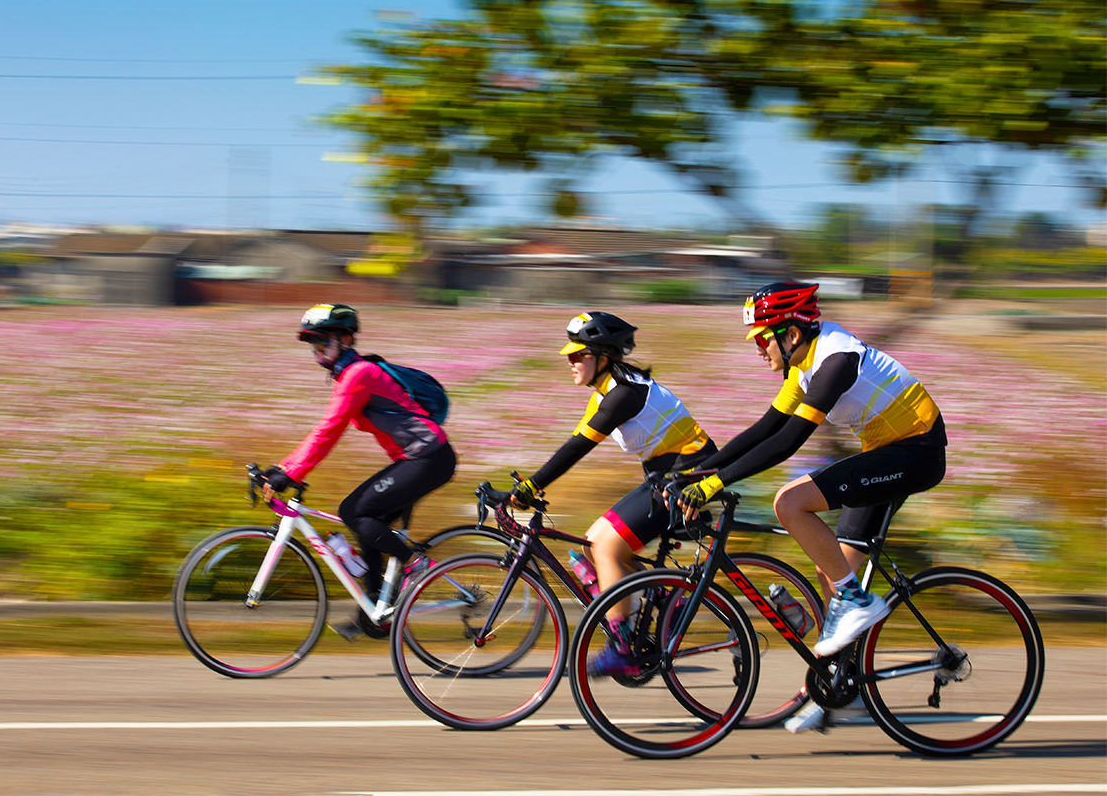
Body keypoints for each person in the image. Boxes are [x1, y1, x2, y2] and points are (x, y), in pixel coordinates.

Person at [675, 282, 947, 732]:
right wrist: (697, 473)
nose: (759, 349)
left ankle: (859, 601)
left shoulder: (835, 361)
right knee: (832, 571)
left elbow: (787, 443)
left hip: (916, 452)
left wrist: (717, 482)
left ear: (792, 335)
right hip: (887, 450)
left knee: (791, 503)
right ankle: (844, 689)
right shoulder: (802, 366)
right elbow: (766, 428)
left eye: (763, 338)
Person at [507, 311, 717, 678]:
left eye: (578, 355)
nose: (570, 362)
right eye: (569, 355)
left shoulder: (624, 395)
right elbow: (570, 444)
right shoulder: (607, 392)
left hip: (688, 477)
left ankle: (622, 646)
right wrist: (530, 482)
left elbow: (577, 449)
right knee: (592, 544)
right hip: (666, 476)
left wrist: (531, 486)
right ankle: (665, 595)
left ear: (603, 357)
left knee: (605, 547)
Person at [261, 303, 455, 639]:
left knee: (355, 511)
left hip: (428, 457)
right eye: (314, 345)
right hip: (417, 458)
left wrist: (288, 472)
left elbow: (329, 430)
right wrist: (282, 468)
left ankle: (416, 565)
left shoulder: (358, 375)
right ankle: (375, 614)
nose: (319, 351)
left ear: (347, 339)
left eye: (325, 342)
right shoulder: (351, 374)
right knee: (369, 525)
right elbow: (328, 431)